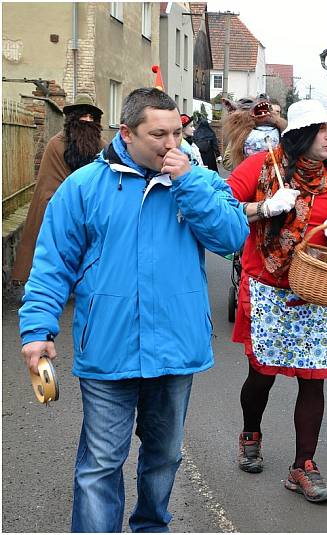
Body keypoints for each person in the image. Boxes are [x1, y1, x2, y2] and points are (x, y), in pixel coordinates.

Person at [17, 87, 249, 532]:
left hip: (175, 348)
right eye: (158, 134)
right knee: (101, 463)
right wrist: (37, 331)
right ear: (126, 132)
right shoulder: (83, 188)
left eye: (177, 133)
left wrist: (189, 183)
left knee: (163, 457)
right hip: (108, 347)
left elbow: (232, 237)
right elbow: (52, 265)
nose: (171, 144)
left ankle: (150, 527)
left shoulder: (195, 179)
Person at [226, 99, 327, 504]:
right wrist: (261, 207)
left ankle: (303, 466)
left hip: (313, 289)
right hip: (265, 284)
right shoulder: (262, 167)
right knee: (261, 375)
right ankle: (251, 434)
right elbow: (222, 209)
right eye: (320, 129)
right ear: (300, 135)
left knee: (313, 379)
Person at [11, 93, 106, 285]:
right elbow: (48, 184)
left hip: (92, 206)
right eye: (83, 116)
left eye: (91, 117)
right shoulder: (56, 144)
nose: (87, 120)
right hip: (60, 206)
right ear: (73, 118)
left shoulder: (102, 146)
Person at [222, 95, 287, 170]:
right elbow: (227, 163)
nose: (274, 113)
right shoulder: (243, 134)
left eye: (277, 112)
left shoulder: (280, 131)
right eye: (272, 110)